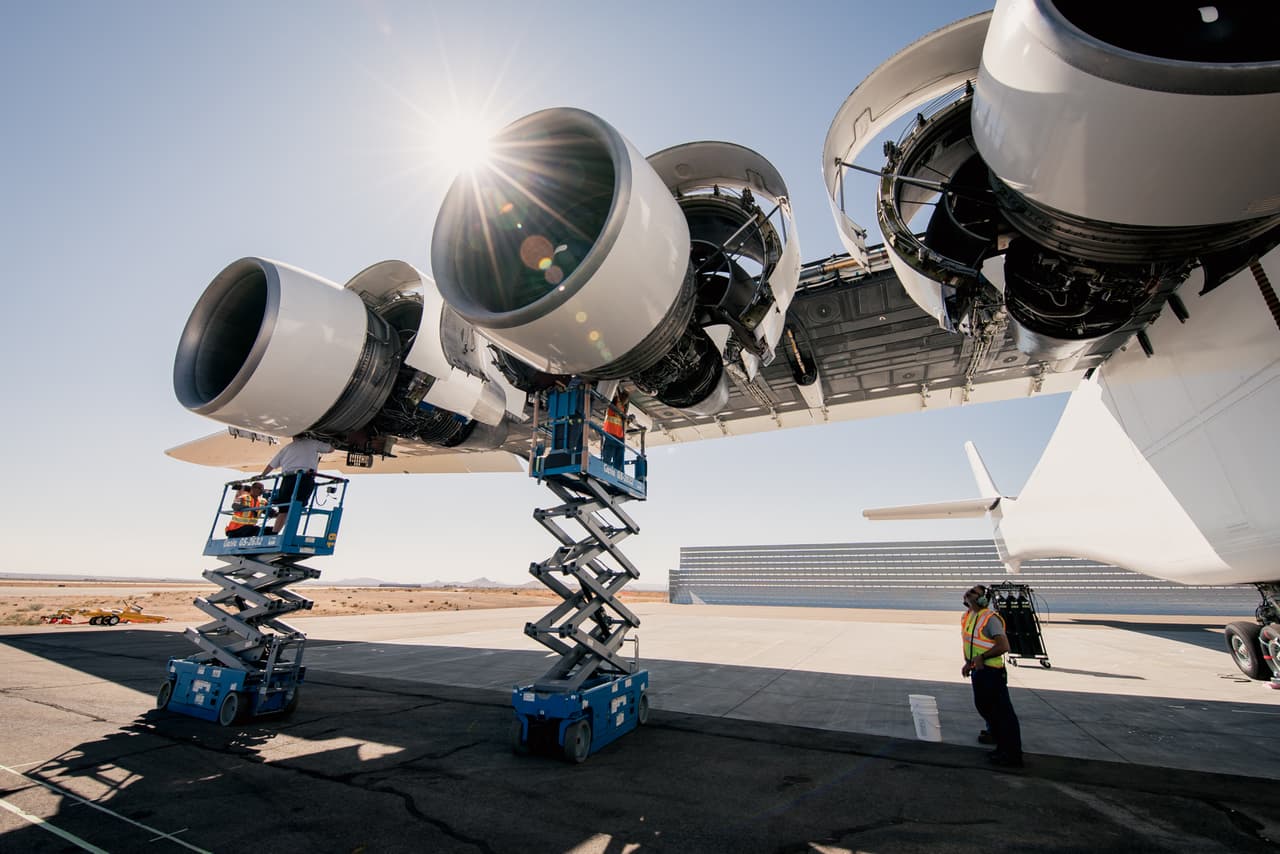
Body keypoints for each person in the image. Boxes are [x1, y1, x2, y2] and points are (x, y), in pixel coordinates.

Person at [961, 584, 1023, 767]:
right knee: (985, 709)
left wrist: (982, 657)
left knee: (1002, 714)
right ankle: (1001, 748)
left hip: (992, 672)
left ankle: (1012, 755)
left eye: (974, 592)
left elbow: (1004, 646)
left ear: (982, 599)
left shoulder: (990, 618)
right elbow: (972, 644)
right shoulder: (968, 616)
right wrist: (968, 663)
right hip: (979, 671)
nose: (968, 593)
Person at [260, 436, 333, 534]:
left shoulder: (287, 448)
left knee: (284, 508)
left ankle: (275, 532)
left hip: (288, 478)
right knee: (297, 507)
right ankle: (288, 534)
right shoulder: (313, 443)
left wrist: (262, 475)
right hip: (305, 478)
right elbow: (331, 449)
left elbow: (272, 465)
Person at [602, 387, 630, 470]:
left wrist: (629, 420)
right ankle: (604, 471)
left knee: (619, 461)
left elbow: (624, 425)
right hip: (611, 435)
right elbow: (617, 400)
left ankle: (619, 473)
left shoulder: (623, 412)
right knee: (607, 458)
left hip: (620, 438)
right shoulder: (612, 407)